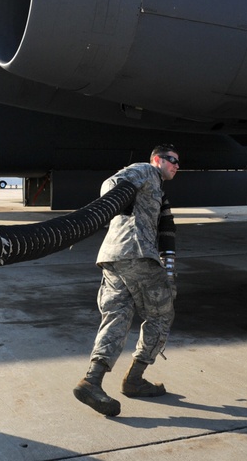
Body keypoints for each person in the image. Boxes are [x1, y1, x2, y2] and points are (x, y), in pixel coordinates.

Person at [73, 144, 180, 417]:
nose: (176, 166)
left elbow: (167, 228)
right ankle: (134, 379)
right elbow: (112, 183)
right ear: (157, 159)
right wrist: (121, 202)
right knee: (161, 314)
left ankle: (92, 381)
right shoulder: (146, 171)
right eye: (172, 160)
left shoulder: (156, 189)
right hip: (137, 255)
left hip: (113, 257)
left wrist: (169, 265)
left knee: (117, 317)